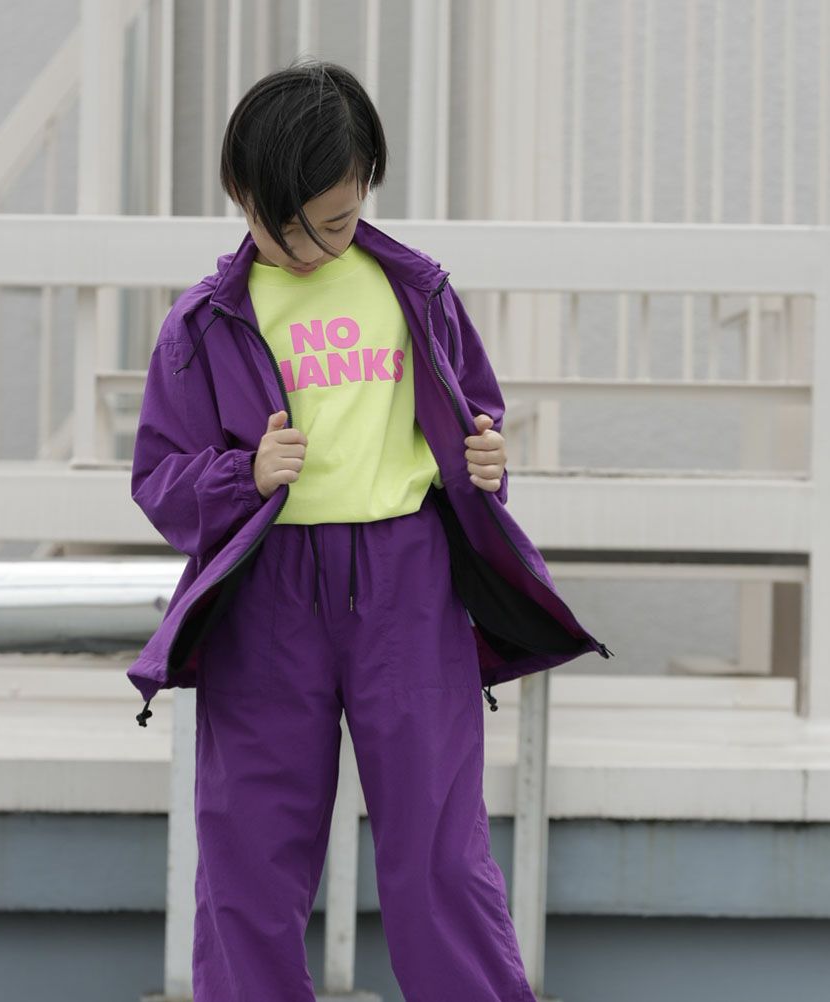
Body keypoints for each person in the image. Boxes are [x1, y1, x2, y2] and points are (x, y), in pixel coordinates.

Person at [127, 57, 613, 1002]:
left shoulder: (414, 292)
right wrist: (243, 473)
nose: (317, 246)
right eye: (291, 225)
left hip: (408, 578)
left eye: (340, 221)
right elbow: (158, 479)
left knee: (439, 847)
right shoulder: (205, 322)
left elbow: (475, 422)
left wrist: (488, 462)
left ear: (365, 191)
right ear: (242, 194)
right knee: (250, 849)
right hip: (268, 592)